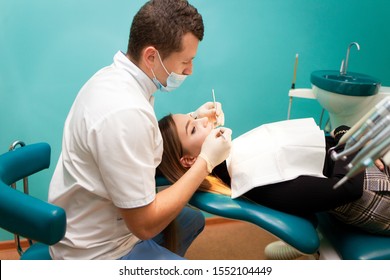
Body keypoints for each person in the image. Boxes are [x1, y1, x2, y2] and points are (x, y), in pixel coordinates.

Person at [48, 0, 232, 260]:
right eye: (185, 62)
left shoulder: (115, 79)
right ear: (151, 56)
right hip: (99, 254)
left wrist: (194, 118)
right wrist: (206, 161)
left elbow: (138, 142)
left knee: (190, 220)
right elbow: (145, 225)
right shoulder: (125, 112)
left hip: (94, 222)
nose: (189, 71)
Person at [157, 113, 390, 236]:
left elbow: (327, 145)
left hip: (357, 164)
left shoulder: (234, 157)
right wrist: (350, 140)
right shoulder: (253, 177)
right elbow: (347, 188)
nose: (204, 120)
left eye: (194, 115)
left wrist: (344, 135)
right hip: (374, 192)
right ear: (188, 160)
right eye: (194, 127)